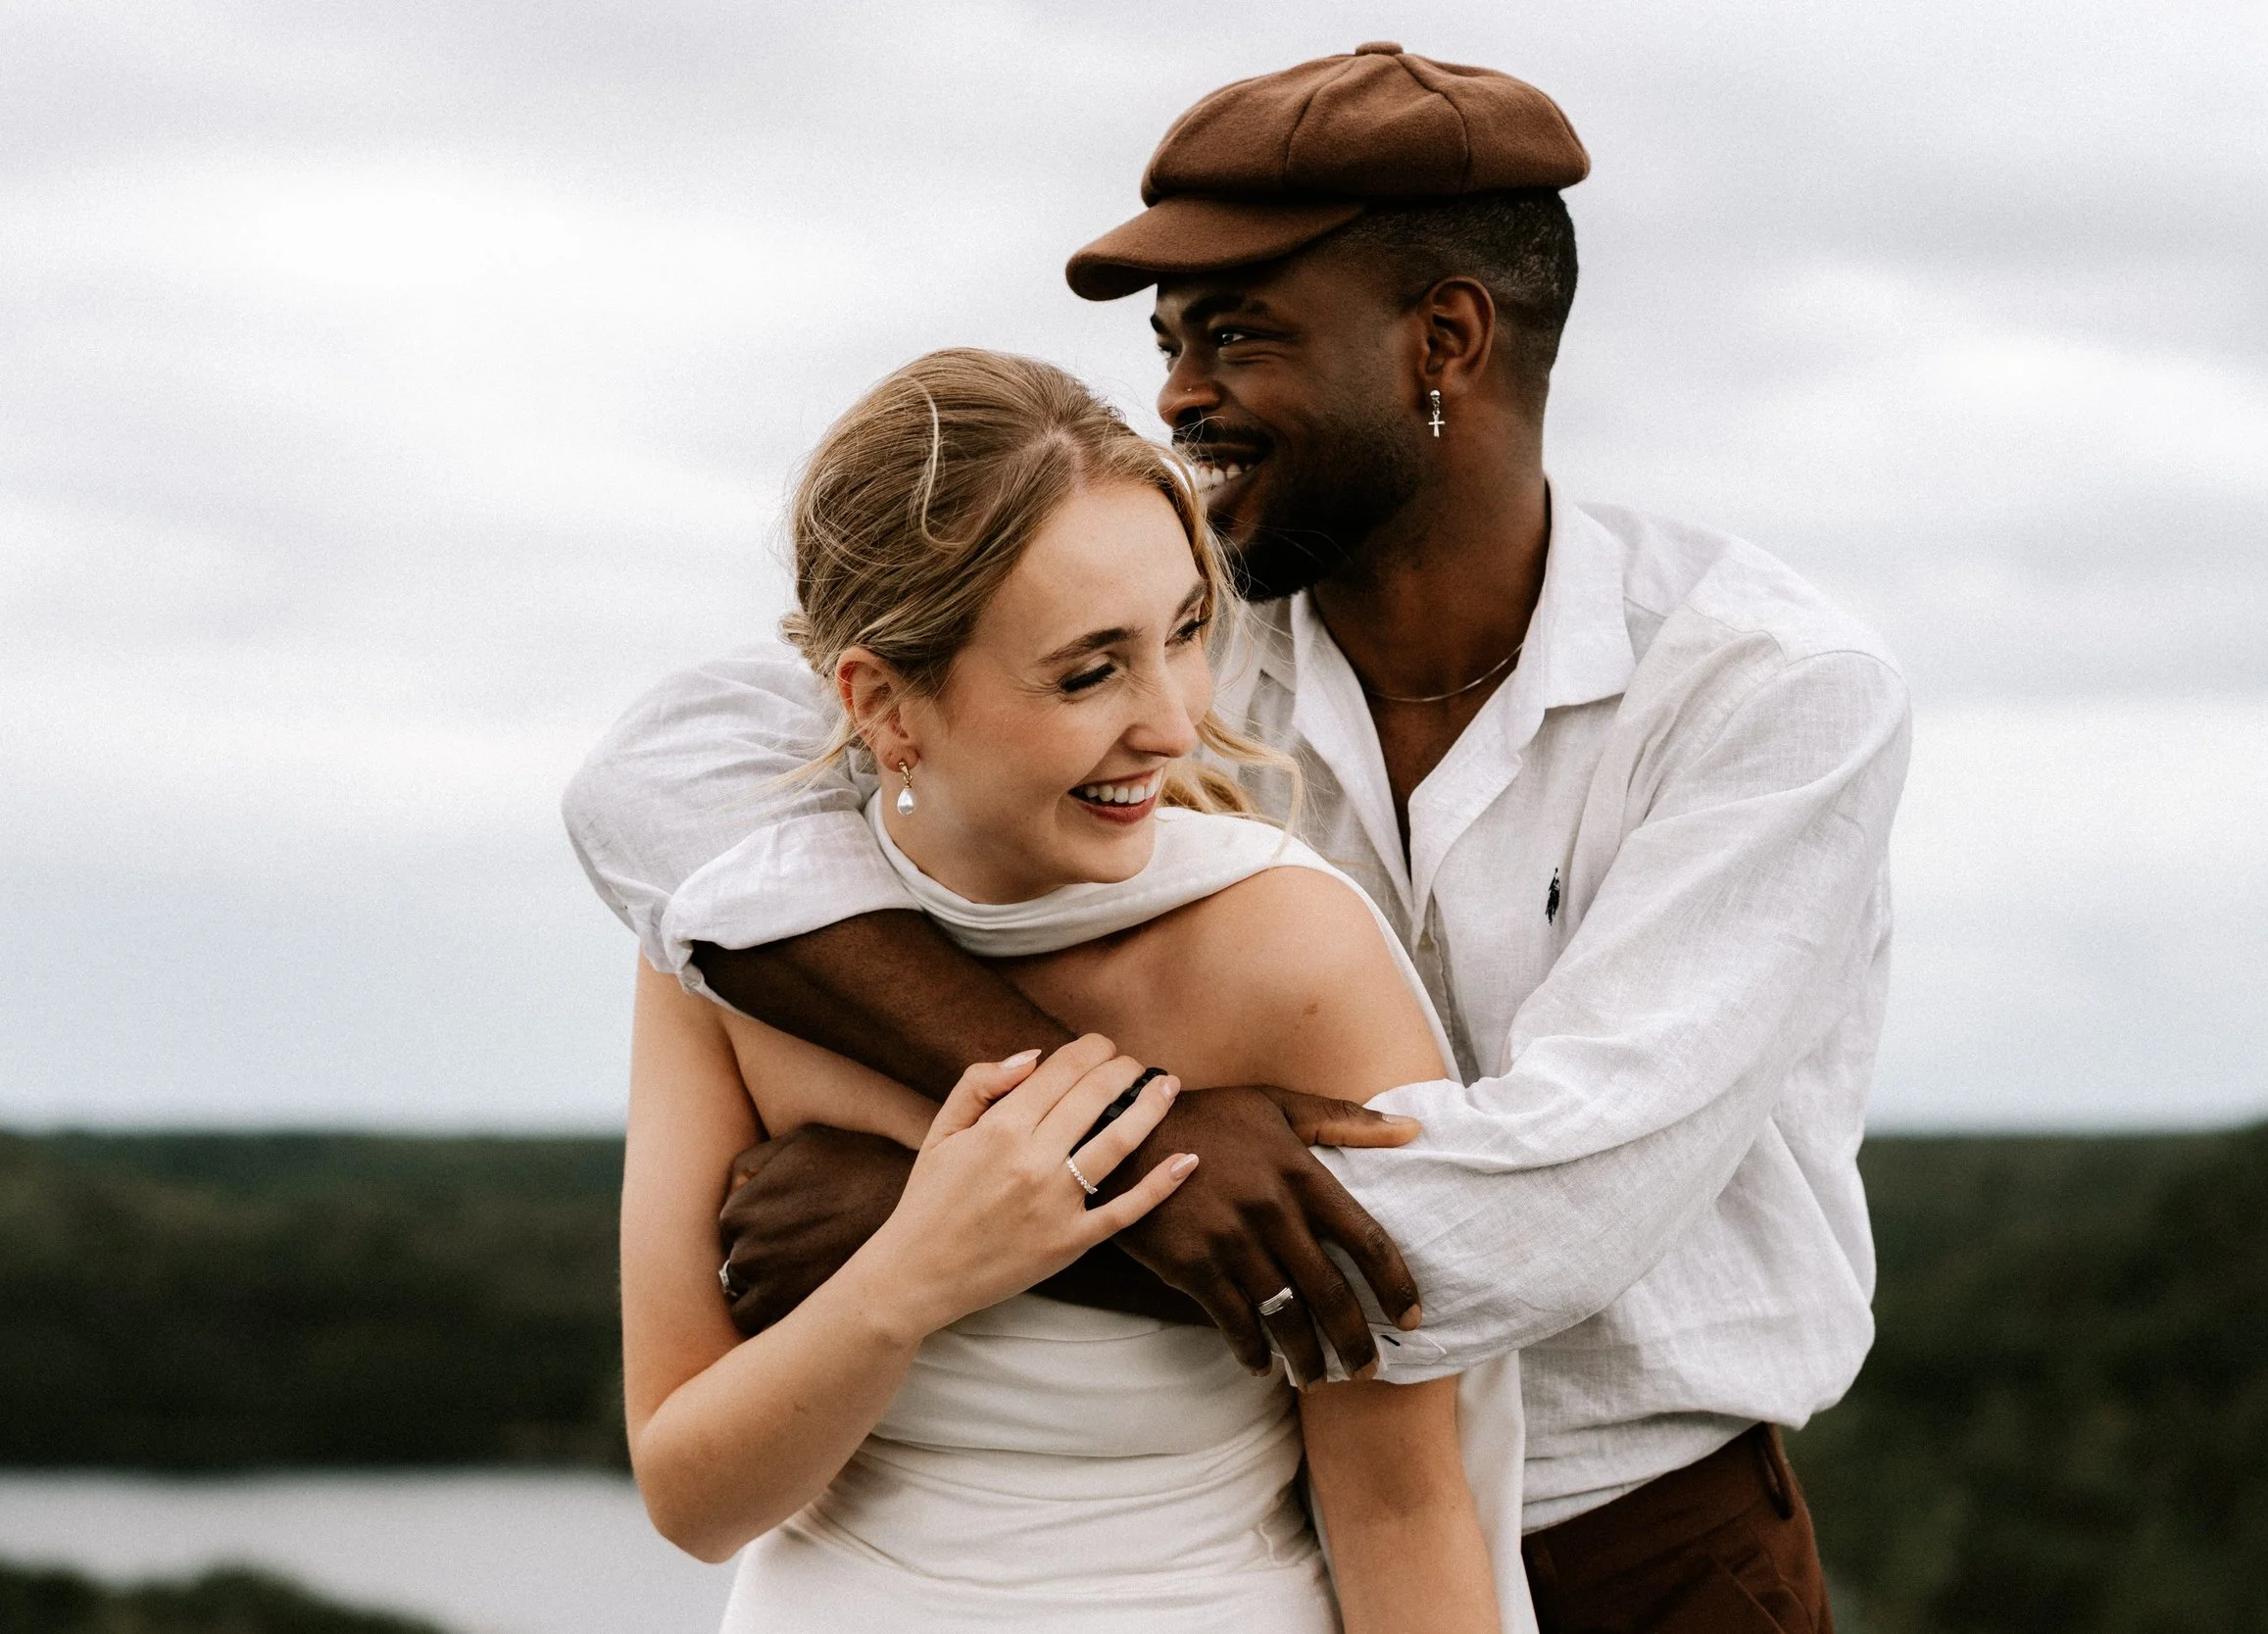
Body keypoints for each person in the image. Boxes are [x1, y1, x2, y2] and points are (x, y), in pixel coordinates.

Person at [568, 44, 1910, 1634]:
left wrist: (932, 1210)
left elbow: (1536, 1232)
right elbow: (651, 781)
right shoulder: (1174, 626)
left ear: (1447, 341)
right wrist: (1069, 1146)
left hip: (1636, 1547)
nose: (1181, 396)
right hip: (1244, 1538)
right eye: (1168, 343)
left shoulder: (1769, 693)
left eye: (1237, 337)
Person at [618, 348, 1530, 1631]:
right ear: (885, 703)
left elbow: (1400, 1506)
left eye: (1186, 633)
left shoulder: (1294, 957)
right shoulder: (738, 949)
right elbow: (693, 1497)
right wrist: (914, 1268)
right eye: (1090, 668)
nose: (1174, 721)